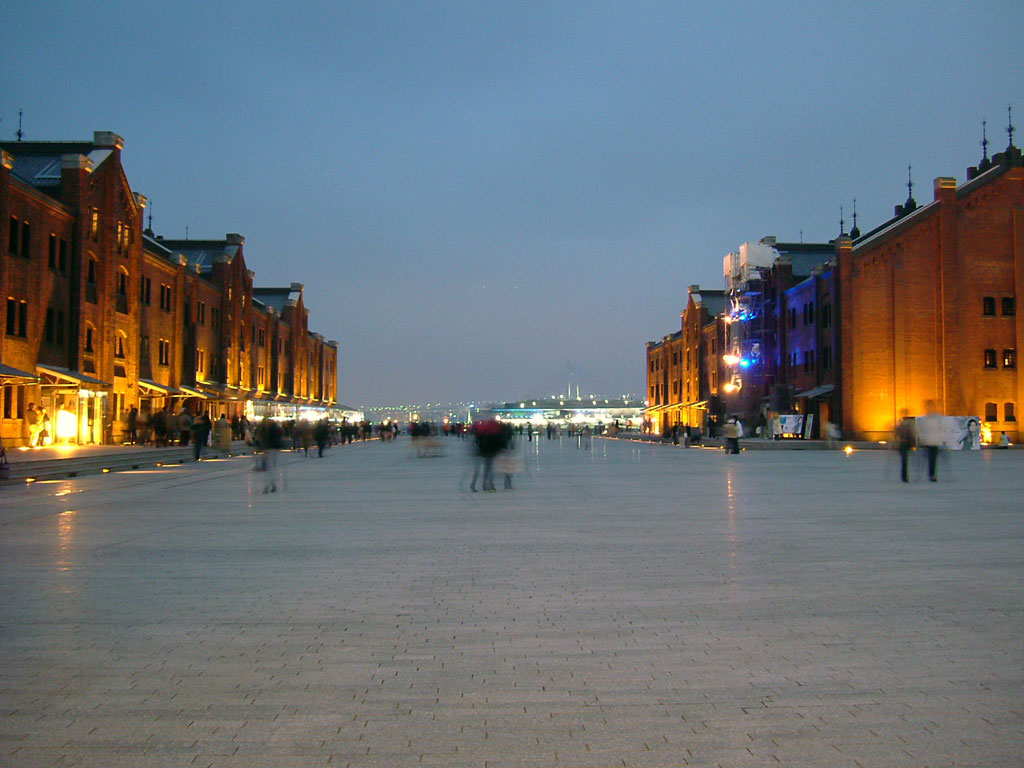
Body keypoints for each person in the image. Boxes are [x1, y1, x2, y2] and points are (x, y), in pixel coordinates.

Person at [916, 400, 945, 482]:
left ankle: (931, 475)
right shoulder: (923, 419)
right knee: (928, 459)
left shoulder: (938, 418)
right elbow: (919, 430)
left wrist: (942, 439)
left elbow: (942, 429)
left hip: (934, 442)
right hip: (927, 441)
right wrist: (921, 438)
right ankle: (928, 475)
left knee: (932, 459)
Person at [895, 408, 916, 482]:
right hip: (905, 443)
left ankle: (905, 476)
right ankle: (905, 477)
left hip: (904, 443)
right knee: (905, 461)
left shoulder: (900, 424)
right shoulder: (906, 424)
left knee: (905, 461)